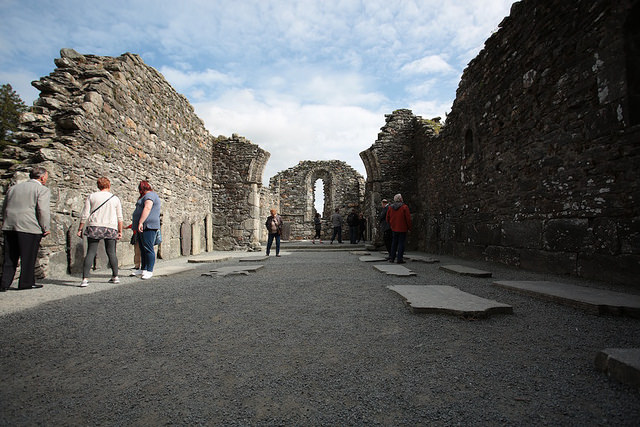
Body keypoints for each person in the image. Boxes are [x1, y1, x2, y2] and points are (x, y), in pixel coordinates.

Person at [0, 167, 51, 291]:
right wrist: (45, 227)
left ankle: (4, 283)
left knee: (9, 257)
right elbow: (42, 210)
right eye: (47, 176)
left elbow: (4, 207)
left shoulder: (13, 188)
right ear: (42, 177)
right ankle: (26, 282)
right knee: (28, 257)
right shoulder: (41, 189)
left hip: (10, 225)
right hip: (29, 226)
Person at [77, 177, 123, 287]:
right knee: (111, 252)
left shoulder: (92, 197)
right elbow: (119, 217)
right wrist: (120, 231)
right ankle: (115, 276)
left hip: (95, 225)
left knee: (91, 252)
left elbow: (85, 214)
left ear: (98, 186)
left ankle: (85, 278)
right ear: (109, 185)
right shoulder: (115, 198)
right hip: (110, 227)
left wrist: (80, 228)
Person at [132, 180, 162, 279]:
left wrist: (140, 222)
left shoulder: (150, 196)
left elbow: (147, 208)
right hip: (143, 226)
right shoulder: (147, 196)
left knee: (148, 248)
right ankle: (143, 269)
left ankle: (149, 270)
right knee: (143, 249)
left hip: (148, 226)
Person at [386, 193, 412, 264]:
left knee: (394, 243)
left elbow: (387, 218)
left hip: (394, 228)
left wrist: (391, 224)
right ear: (400, 199)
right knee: (401, 243)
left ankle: (392, 258)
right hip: (403, 228)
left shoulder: (390, 207)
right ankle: (399, 259)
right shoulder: (404, 207)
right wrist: (409, 228)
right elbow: (408, 219)